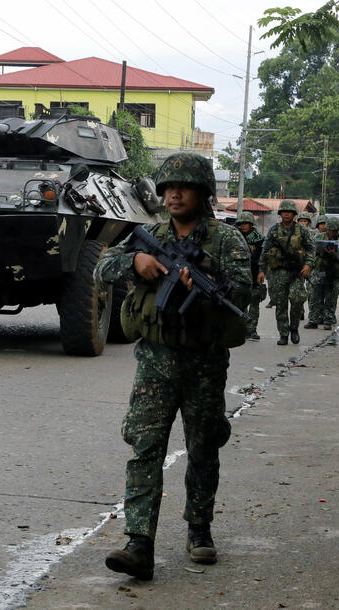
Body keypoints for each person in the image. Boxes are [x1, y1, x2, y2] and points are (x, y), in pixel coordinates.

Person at [95, 153, 251, 581]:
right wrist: (134, 263)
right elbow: (102, 266)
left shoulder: (227, 240)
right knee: (145, 447)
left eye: (185, 187)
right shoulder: (152, 234)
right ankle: (138, 542)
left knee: (203, 447)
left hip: (204, 361)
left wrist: (205, 275)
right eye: (168, 188)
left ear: (204, 193)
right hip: (155, 361)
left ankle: (199, 529)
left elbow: (242, 290)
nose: (175, 194)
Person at [260, 200, 316, 345]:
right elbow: (265, 251)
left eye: (289, 212)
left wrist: (308, 264)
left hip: (296, 272)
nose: (286, 214)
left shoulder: (302, 230)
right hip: (278, 272)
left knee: (297, 299)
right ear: (280, 214)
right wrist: (262, 270)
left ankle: (294, 328)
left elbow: (311, 248)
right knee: (280, 304)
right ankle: (283, 333)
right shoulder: (273, 230)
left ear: (294, 214)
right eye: (283, 212)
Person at [305, 217, 339, 330]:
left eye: (335, 231)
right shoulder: (318, 237)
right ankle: (313, 320)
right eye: (331, 230)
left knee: (331, 297)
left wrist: (335, 254)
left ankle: (328, 320)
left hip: (334, 271)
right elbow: (310, 251)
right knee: (315, 295)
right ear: (327, 229)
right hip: (320, 270)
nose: (333, 233)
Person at [236, 211, 265, 340]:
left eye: (246, 223)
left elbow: (263, 257)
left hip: (254, 273)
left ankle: (252, 329)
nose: (243, 226)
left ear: (251, 224)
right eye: (241, 223)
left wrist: (262, 271)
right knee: (240, 302)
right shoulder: (234, 235)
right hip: (238, 273)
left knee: (254, 302)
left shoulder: (259, 238)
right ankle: (242, 328)